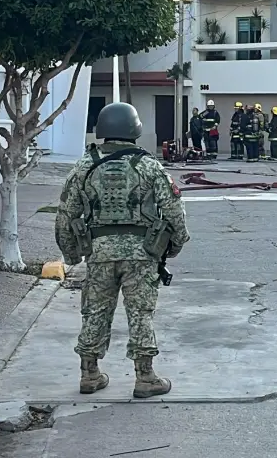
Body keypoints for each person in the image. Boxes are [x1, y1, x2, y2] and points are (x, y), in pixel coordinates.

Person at [54, 102, 191, 399]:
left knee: (95, 311)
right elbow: (174, 209)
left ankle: (89, 374)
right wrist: (176, 244)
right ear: (134, 129)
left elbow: (65, 214)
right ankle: (145, 377)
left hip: (99, 253)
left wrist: (70, 254)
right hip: (142, 254)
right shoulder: (148, 165)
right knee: (140, 312)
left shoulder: (84, 165)